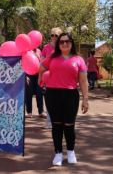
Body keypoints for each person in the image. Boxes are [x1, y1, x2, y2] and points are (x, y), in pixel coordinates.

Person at [39, 32, 89, 166]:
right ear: (58, 44)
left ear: (71, 43)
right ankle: (58, 153)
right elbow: (40, 68)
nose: (64, 44)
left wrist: (85, 99)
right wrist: (42, 78)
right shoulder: (52, 57)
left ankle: (71, 151)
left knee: (69, 125)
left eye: (67, 41)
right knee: (56, 125)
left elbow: (83, 81)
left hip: (70, 95)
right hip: (52, 95)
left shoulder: (79, 59)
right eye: (61, 42)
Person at [41, 27, 63, 129]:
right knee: (49, 100)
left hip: (61, 78)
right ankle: (49, 122)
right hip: (48, 78)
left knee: (61, 101)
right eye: (52, 35)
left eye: (56, 35)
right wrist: (40, 77)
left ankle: (60, 121)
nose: (54, 37)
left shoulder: (64, 47)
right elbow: (41, 63)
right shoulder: (46, 48)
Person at [25, 48, 45, 118]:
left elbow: (42, 63)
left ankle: (41, 111)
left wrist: (38, 56)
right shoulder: (26, 51)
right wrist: (25, 75)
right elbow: (23, 63)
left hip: (38, 75)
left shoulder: (39, 51)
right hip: (28, 75)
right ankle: (29, 112)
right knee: (28, 93)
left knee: (39, 93)